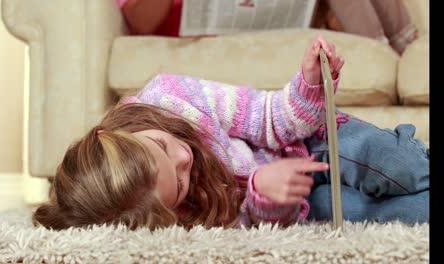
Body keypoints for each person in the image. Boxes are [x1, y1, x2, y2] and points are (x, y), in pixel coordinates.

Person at [33, 35, 429, 231]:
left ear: (114, 132)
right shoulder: (178, 221)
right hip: (297, 202)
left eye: (162, 145)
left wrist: (308, 84)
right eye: (182, 183)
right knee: (408, 213)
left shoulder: (172, 96)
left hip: (309, 140)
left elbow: (270, 118)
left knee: (398, 163)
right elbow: (249, 225)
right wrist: (263, 195)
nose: (185, 159)